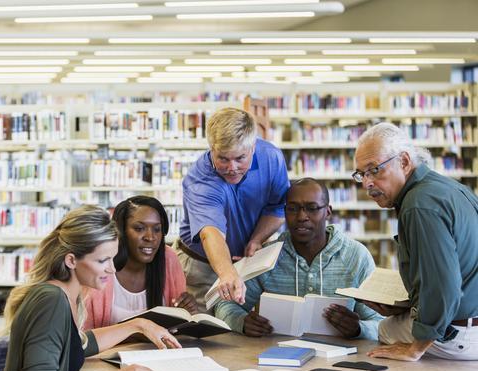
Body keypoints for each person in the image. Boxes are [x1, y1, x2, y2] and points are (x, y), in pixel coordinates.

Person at [0, 205, 182, 371]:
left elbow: (79, 346)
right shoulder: (51, 302)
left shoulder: (65, 294)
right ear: (71, 260)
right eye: (103, 260)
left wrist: (138, 325)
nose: (112, 269)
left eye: (113, 259)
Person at [353, 122, 478, 361]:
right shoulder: (448, 187)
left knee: (384, 330)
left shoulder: (418, 206)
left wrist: (416, 348)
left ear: (404, 162)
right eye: (362, 174)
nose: (366, 183)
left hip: (461, 333)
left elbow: (442, 285)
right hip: (470, 319)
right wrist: (409, 305)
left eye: (375, 170)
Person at [215, 178, 382, 339]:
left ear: (328, 212)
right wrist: (242, 322)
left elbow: (380, 323)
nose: (302, 216)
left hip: (341, 360)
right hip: (278, 357)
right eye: (293, 209)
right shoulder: (269, 255)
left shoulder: (356, 256)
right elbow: (225, 304)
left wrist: (359, 329)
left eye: (312, 208)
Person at [175, 107, 290, 312]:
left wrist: (257, 239)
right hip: (202, 267)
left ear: (253, 147)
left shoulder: (272, 158)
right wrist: (227, 273)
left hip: (251, 262)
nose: (232, 167)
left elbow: (277, 208)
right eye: (223, 159)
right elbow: (211, 233)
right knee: (206, 331)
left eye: (240, 158)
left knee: (251, 327)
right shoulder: (200, 180)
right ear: (211, 148)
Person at [84, 196, 197, 329]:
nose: (150, 237)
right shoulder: (100, 265)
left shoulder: (169, 259)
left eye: (157, 229)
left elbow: (178, 329)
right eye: (139, 228)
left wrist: (186, 310)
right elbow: (84, 338)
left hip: (158, 349)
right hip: (107, 350)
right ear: (121, 232)